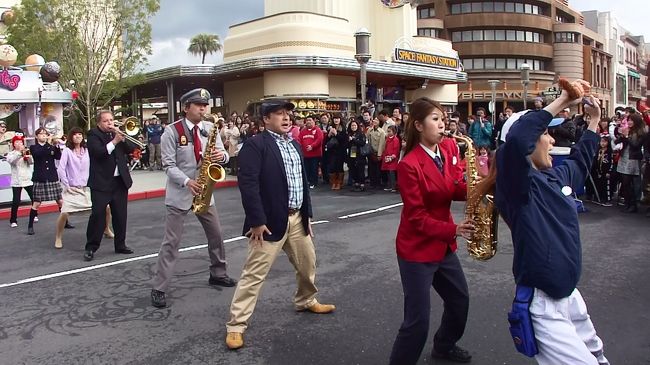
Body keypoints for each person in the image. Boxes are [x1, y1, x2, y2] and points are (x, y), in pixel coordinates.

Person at [490, 80, 610, 365]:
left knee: (598, 356)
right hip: (543, 304)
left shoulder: (553, 177)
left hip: (570, 295)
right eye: (546, 133)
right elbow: (517, 141)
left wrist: (593, 121)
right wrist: (563, 100)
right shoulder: (516, 184)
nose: (553, 139)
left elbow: (581, 162)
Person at [225, 101, 335, 350]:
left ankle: (306, 300)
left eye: (288, 114)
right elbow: (248, 184)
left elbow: (302, 183)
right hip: (268, 223)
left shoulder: (294, 144)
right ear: (266, 119)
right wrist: (256, 221)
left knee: (308, 262)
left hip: (297, 219)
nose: (287, 118)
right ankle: (236, 325)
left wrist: (307, 215)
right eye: (280, 114)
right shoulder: (255, 144)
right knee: (254, 274)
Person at [389, 97, 474, 365]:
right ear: (418, 125)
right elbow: (416, 217)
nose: (442, 124)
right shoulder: (409, 165)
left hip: (443, 246)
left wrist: (480, 188)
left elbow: (451, 188)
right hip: (416, 250)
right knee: (417, 322)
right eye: (435, 119)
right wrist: (455, 229)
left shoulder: (446, 150)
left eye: (443, 118)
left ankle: (444, 346)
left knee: (459, 301)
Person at [150, 88, 236, 308]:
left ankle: (218, 272)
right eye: (199, 105)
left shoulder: (210, 128)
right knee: (171, 242)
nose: (203, 109)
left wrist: (222, 156)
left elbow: (225, 155)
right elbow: (167, 165)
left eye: (205, 105)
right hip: (180, 194)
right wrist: (187, 182)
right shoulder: (171, 131)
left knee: (216, 234)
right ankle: (159, 287)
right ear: (186, 108)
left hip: (205, 192)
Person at [84, 110, 135, 261]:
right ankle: (91, 247)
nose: (110, 123)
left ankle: (120, 245)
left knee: (120, 215)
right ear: (99, 122)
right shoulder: (93, 135)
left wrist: (123, 138)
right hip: (101, 182)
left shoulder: (117, 134)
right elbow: (98, 153)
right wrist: (114, 142)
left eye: (111, 120)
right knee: (98, 215)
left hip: (119, 181)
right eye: (106, 121)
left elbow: (131, 149)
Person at [55, 128, 92, 249]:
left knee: (106, 208)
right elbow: (61, 169)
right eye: (75, 135)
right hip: (71, 188)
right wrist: (66, 185)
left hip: (86, 187)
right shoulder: (67, 151)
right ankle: (58, 237)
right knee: (64, 212)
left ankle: (106, 229)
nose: (78, 136)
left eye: (80, 134)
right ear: (71, 137)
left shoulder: (87, 150)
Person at [27, 127, 63, 236]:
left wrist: (56, 145)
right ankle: (30, 225)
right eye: (41, 134)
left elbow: (58, 156)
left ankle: (65, 221)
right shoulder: (34, 147)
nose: (44, 135)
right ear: (37, 136)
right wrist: (49, 143)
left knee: (60, 201)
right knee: (37, 202)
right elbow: (40, 154)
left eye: (45, 134)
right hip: (40, 178)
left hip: (52, 176)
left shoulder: (51, 147)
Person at [614, 113, 648, 213]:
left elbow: (635, 145)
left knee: (629, 182)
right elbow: (617, 142)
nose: (629, 122)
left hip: (632, 159)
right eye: (628, 120)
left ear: (636, 121)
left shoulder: (641, 132)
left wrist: (627, 136)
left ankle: (633, 205)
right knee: (625, 183)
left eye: (631, 120)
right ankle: (628, 203)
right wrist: (621, 135)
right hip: (624, 157)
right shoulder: (628, 130)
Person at [7, 134, 34, 228]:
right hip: (17, 180)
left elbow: (31, 162)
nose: (19, 144)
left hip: (27, 178)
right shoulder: (11, 154)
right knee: (16, 201)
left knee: (34, 198)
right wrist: (19, 153)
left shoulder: (26, 151)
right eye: (17, 142)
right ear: (14, 144)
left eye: (20, 142)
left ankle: (34, 215)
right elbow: (11, 161)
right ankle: (13, 220)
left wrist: (28, 157)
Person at [298, 115, 323, 188]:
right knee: (306, 169)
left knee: (313, 169)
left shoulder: (317, 130)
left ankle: (313, 182)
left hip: (314, 154)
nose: (308, 122)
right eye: (307, 120)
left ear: (313, 121)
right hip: (305, 154)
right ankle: (308, 181)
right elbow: (299, 139)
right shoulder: (303, 131)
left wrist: (312, 146)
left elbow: (319, 140)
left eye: (310, 120)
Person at [325, 114, 347, 190]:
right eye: (335, 119)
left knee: (339, 167)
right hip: (332, 151)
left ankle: (339, 183)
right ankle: (334, 182)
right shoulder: (330, 128)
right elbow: (326, 141)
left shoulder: (343, 129)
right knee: (332, 167)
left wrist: (336, 134)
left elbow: (344, 140)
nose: (336, 120)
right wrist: (329, 134)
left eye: (337, 118)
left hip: (340, 151)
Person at [347, 120, 367, 192]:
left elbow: (362, 143)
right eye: (352, 125)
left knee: (360, 169)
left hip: (360, 154)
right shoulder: (349, 134)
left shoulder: (361, 134)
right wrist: (349, 140)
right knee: (353, 169)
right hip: (352, 153)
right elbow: (346, 144)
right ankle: (356, 182)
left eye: (355, 125)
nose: (353, 127)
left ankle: (362, 183)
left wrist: (354, 140)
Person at [381, 125, 400, 192]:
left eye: (389, 131)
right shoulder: (387, 139)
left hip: (392, 158)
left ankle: (393, 186)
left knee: (392, 172)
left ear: (394, 132)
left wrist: (393, 156)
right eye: (388, 131)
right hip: (386, 157)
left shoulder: (395, 140)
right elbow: (385, 148)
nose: (388, 133)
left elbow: (396, 149)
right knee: (388, 172)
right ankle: (389, 185)